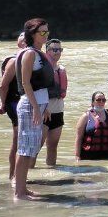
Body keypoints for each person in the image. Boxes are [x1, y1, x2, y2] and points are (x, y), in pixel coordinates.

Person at [14, 18, 55, 201]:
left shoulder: (38, 52)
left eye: (47, 32)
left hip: (38, 105)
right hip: (30, 106)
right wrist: (36, 109)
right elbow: (25, 83)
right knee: (25, 151)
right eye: (43, 32)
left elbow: (42, 86)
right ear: (32, 34)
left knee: (30, 149)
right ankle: (20, 192)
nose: (46, 35)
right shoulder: (30, 54)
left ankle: (24, 188)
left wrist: (44, 107)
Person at [0, 32, 26, 182]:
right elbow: (3, 85)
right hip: (14, 102)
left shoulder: (28, 57)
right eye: (21, 36)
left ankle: (17, 176)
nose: (24, 37)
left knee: (21, 140)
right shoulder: (14, 61)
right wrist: (2, 104)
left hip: (22, 101)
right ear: (18, 42)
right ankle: (13, 176)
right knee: (17, 141)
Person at [41, 37, 68, 167]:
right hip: (44, 111)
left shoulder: (61, 69)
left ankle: (51, 173)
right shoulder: (41, 68)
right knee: (36, 146)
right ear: (47, 51)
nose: (57, 52)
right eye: (54, 49)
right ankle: (29, 175)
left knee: (53, 146)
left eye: (60, 49)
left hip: (58, 110)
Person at [76, 91, 108, 161]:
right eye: (98, 100)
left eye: (103, 100)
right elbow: (79, 138)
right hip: (89, 157)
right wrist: (77, 156)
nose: (101, 102)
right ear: (93, 102)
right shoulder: (85, 117)